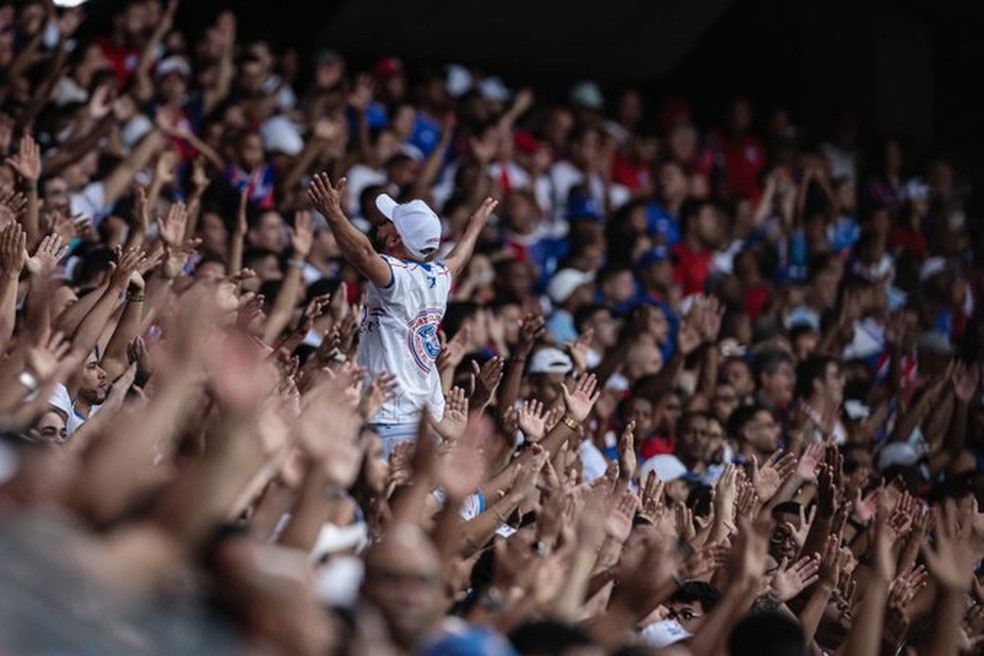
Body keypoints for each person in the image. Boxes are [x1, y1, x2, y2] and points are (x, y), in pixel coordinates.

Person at [306, 172, 497, 455]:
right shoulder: (438, 275)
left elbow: (364, 256)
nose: (380, 224)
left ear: (395, 239)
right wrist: (475, 227)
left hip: (391, 418)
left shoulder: (399, 275)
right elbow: (459, 257)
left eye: (388, 222)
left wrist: (333, 214)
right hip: (424, 421)